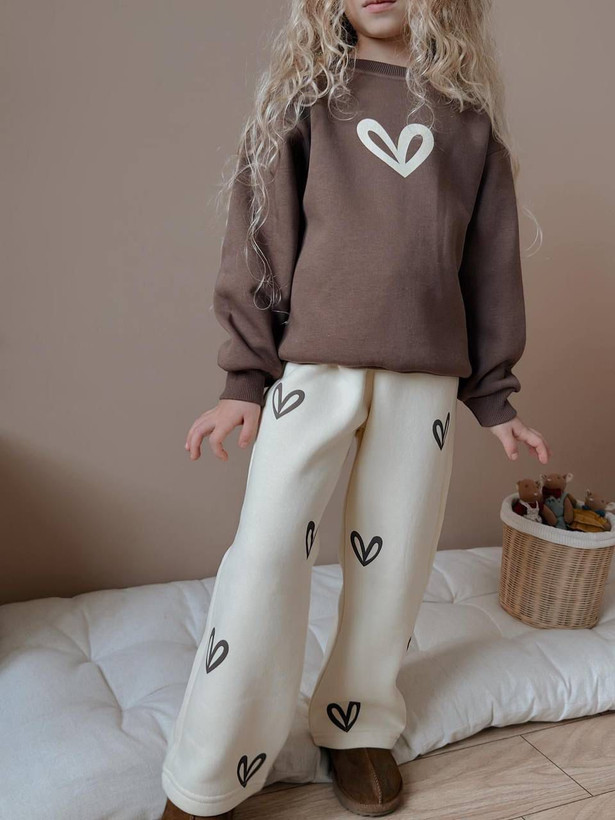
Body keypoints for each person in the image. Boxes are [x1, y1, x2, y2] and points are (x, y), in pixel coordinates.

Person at [161, 0, 551, 817]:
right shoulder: (303, 102)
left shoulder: (467, 123)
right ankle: (211, 764)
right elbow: (260, 237)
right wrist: (244, 380)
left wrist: (494, 396)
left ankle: (356, 723)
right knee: (266, 557)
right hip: (315, 370)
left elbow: (489, 267)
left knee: (395, 559)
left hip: (424, 381)